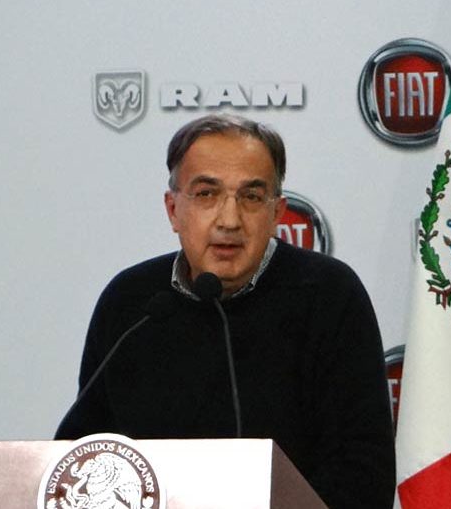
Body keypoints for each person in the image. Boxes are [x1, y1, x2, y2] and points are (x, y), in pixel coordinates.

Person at [56, 114, 395, 508]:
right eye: (206, 194)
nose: (230, 220)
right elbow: (84, 452)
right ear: (173, 210)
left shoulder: (329, 295)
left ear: (277, 213)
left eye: (251, 197)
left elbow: (364, 471)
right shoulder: (131, 302)